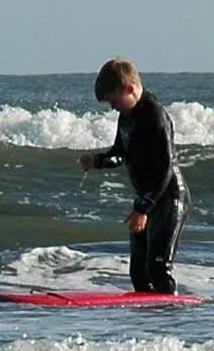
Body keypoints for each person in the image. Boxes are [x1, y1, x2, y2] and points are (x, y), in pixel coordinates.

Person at [80, 57, 190, 294]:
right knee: (138, 270)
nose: (113, 108)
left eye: (115, 102)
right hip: (147, 200)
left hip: (168, 198)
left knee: (158, 266)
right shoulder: (126, 117)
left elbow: (165, 166)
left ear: (130, 88)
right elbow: (120, 154)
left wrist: (143, 209)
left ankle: (172, 318)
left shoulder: (155, 116)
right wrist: (98, 161)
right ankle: (147, 322)